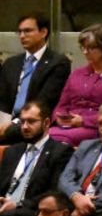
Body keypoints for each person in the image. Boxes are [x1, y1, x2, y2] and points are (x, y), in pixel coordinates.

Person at [48, 25, 102, 148]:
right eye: (83, 47)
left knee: (59, 141)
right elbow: (62, 105)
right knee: (41, 136)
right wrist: (59, 118)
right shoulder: (76, 74)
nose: (85, 52)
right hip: (68, 125)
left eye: (91, 48)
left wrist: (84, 121)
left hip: (97, 126)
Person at [0, 102, 74, 216]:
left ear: (46, 123)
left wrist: (17, 204)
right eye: (22, 122)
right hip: (4, 207)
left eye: (31, 121)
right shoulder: (12, 151)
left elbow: (54, 191)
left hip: (34, 210)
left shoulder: (60, 152)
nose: (25, 127)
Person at [0, 12, 71, 144]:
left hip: (33, 121)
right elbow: (3, 98)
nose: (22, 36)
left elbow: (45, 101)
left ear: (43, 32)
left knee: (12, 132)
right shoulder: (11, 63)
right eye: (19, 32)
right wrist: (3, 122)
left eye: (27, 31)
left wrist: (15, 122)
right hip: (7, 120)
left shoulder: (57, 63)